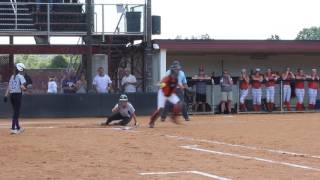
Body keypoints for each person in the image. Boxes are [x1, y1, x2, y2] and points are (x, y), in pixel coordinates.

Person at [3, 63, 27, 134]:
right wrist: (26, 89)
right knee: (16, 113)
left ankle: (18, 128)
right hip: (17, 95)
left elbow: (9, 87)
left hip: (11, 96)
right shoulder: (21, 76)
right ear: (20, 69)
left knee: (15, 112)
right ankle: (13, 128)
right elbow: (22, 87)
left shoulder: (12, 76)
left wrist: (5, 96)